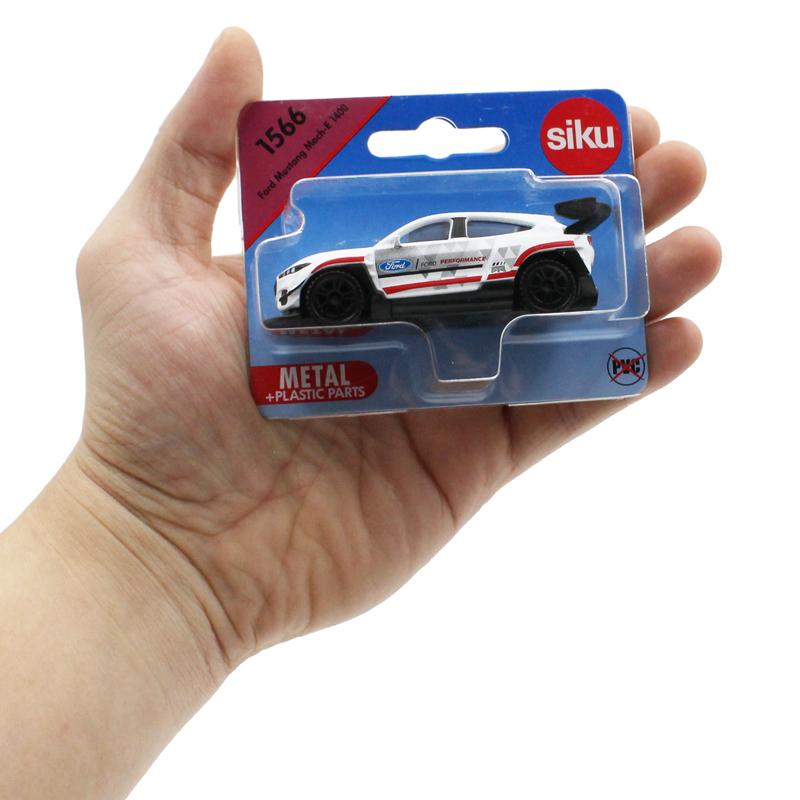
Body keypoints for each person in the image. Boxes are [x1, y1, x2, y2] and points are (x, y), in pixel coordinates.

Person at [0, 27, 720, 800]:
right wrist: (149, 530)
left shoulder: (526, 242)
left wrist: (141, 543)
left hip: (505, 274)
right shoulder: (363, 261)